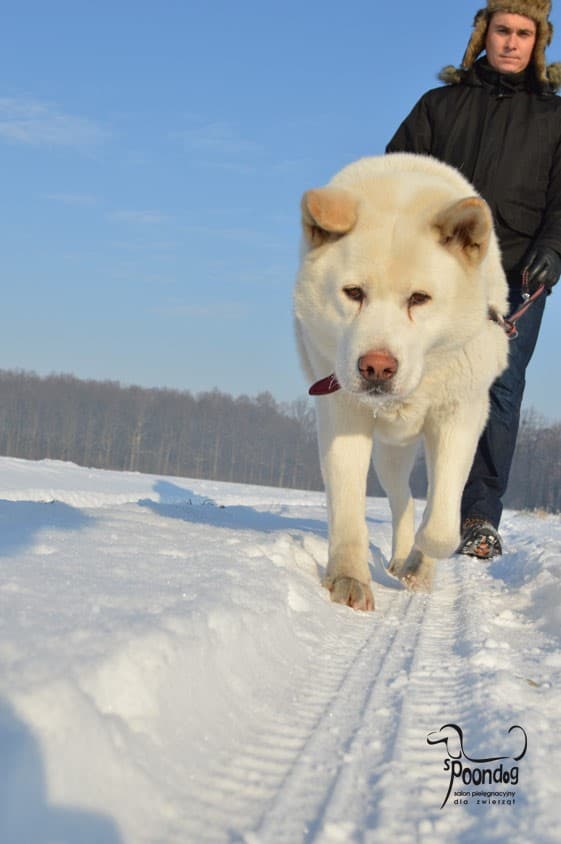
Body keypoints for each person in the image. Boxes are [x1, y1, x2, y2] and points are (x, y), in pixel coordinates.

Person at [386, 0, 561, 558]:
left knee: (500, 389)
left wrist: (554, 250)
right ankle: (415, 499)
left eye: (524, 33)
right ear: (484, 34)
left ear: (539, 42)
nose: (511, 42)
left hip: (516, 275)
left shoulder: (556, 118)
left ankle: (479, 516)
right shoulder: (440, 105)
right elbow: (397, 175)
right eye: (502, 30)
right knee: (423, 380)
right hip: (437, 275)